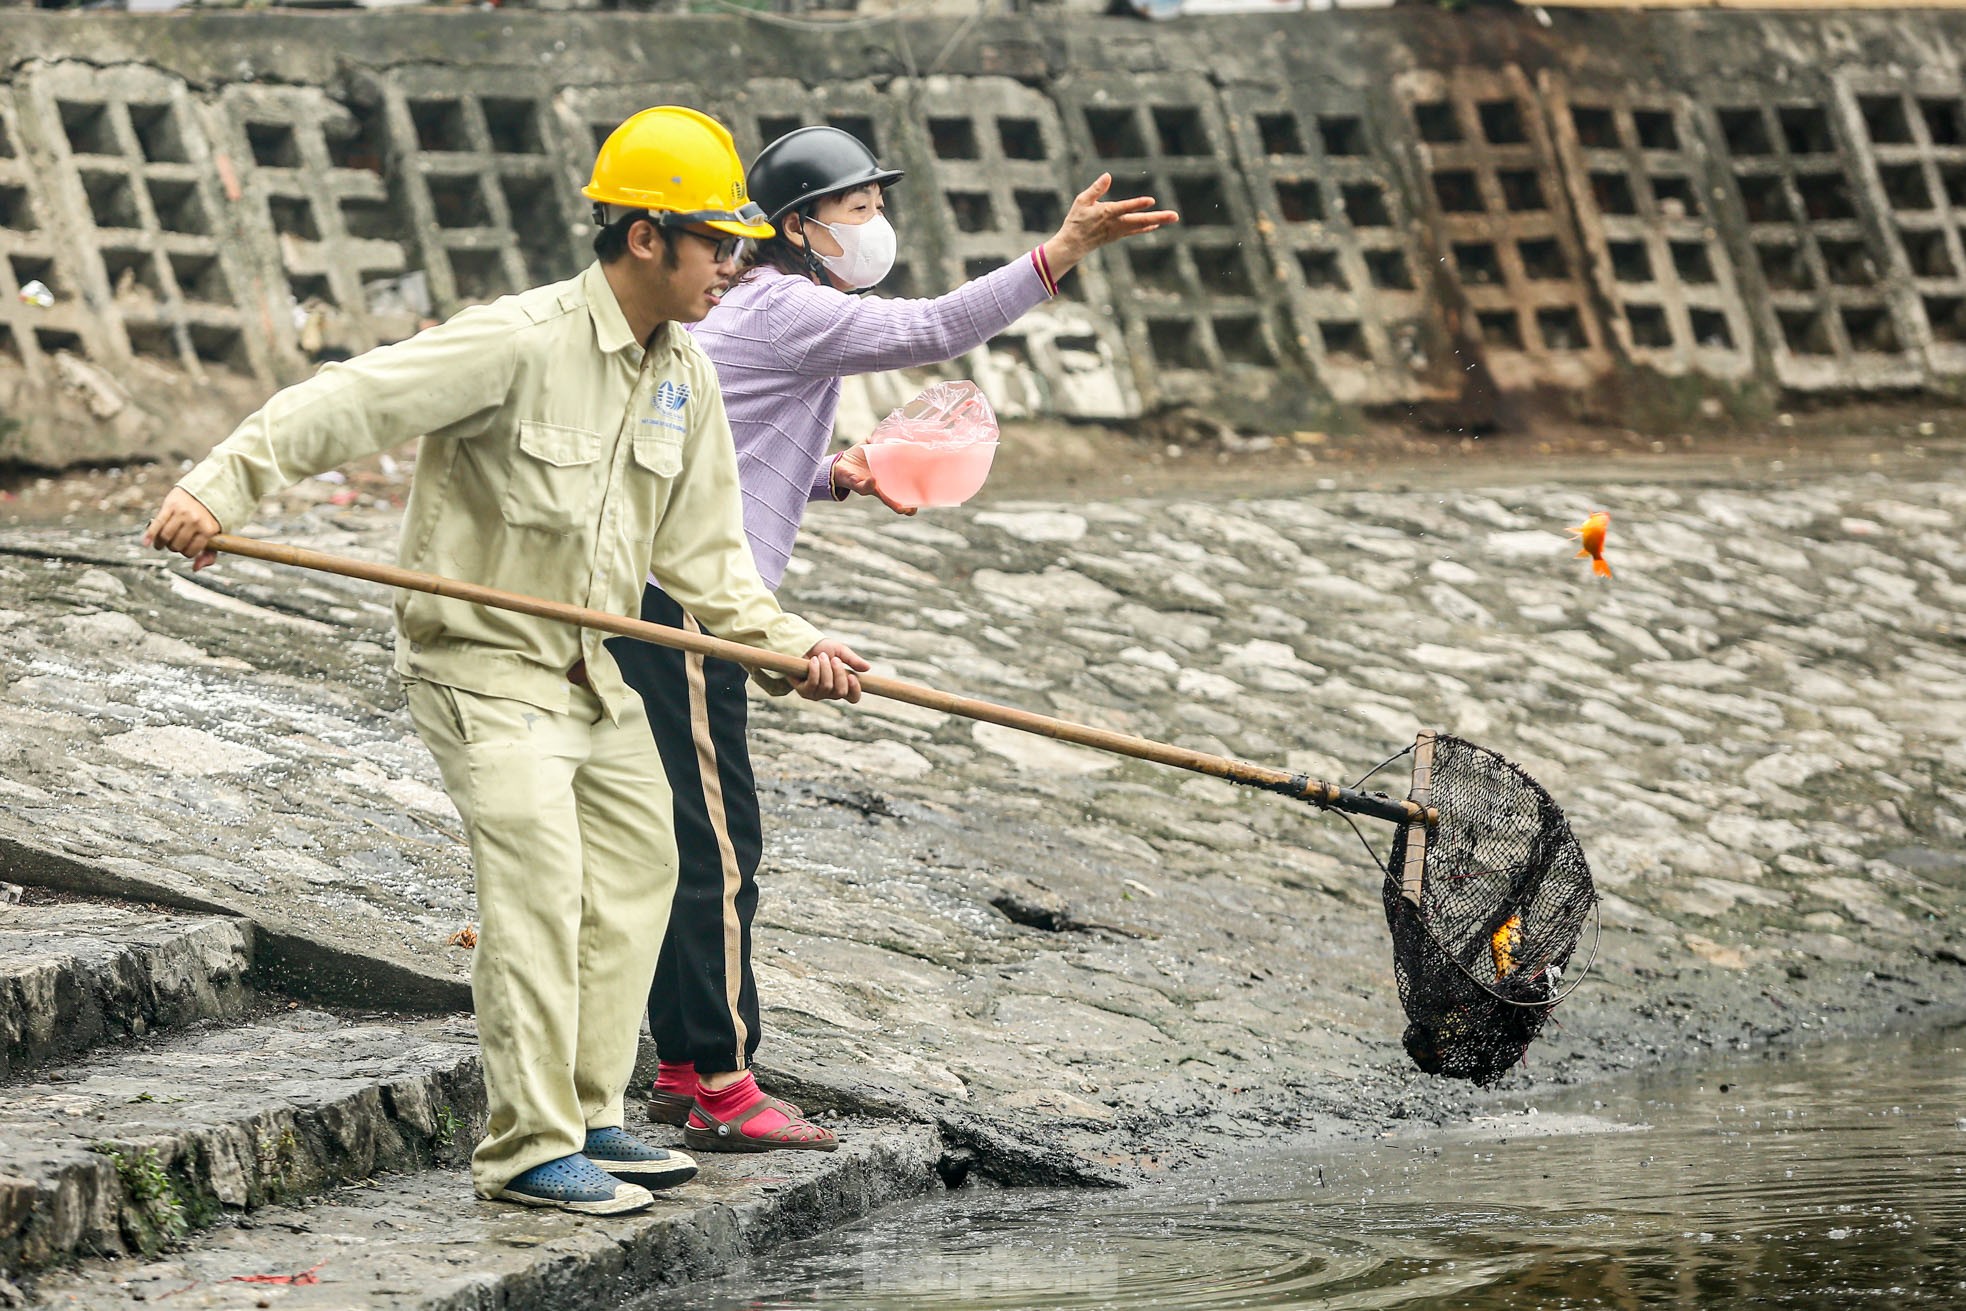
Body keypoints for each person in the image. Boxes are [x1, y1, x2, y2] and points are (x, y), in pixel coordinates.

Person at [142, 106, 870, 1216]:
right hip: (482, 665)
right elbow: (350, 400)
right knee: (537, 884)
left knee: (642, 870)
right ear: (645, 237)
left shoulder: (684, 375)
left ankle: (591, 1114)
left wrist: (791, 647)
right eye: (718, 242)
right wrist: (217, 488)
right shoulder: (518, 339)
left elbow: (709, 560)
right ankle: (528, 1149)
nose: (736, 263)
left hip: (591, 671)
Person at [612, 125, 1175, 1153]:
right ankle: (725, 1085)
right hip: (684, 603)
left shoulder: (749, 303)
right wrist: (1059, 254)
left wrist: (833, 475)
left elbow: (726, 452)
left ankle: (687, 1063)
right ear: (798, 226)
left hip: (664, 587)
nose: (877, 227)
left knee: (680, 836)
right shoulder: (791, 307)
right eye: (859, 210)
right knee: (719, 850)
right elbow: (936, 327)